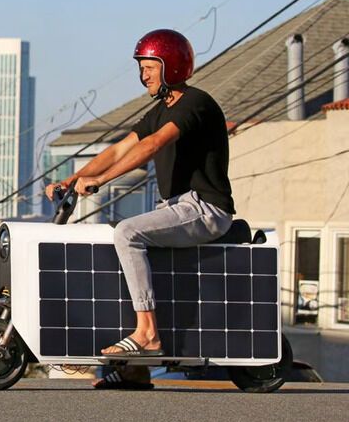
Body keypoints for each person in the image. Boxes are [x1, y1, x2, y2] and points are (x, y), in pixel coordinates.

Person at [46, 29, 235, 387]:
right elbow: (119, 149)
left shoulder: (196, 103)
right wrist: (73, 179)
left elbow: (150, 146)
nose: (143, 74)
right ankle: (135, 368)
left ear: (172, 67)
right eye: (142, 67)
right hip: (176, 207)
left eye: (150, 67)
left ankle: (147, 334)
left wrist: (100, 182)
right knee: (119, 247)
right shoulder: (159, 110)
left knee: (128, 232)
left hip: (205, 208)